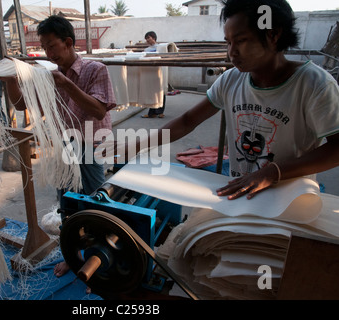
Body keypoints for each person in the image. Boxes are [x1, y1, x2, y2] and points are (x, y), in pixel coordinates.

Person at [117, 0, 339, 200]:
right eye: (228, 42)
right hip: (239, 191)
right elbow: (187, 121)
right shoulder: (231, 80)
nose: (231, 52)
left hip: (290, 199)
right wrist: (137, 144)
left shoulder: (314, 85)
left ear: (273, 36)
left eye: (241, 41)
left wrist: (273, 172)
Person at [0, 16, 116, 278]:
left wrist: (66, 84)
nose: (48, 53)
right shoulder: (47, 75)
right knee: (67, 202)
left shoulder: (95, 69)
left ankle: (99, 264)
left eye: (52, 46)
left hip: (90, 142)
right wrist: (9, 79)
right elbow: (21, 105)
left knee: (95, 202)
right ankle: (72, 257)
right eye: (44, 47)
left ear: (68, 42)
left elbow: (98, 111)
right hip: (65, 144)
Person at [140, 31, 167, 119]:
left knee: (160, 91)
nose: (147, 40)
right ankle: (152, 113)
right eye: (146, 38)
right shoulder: (146, 50)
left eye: (149, 38)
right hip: (150, 72)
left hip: (159, 71)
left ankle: (160, 112)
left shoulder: (161, 47)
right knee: (151, 93)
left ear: (154, 38)